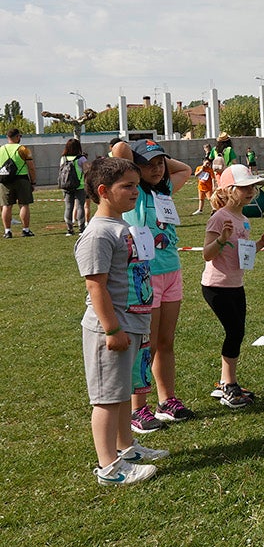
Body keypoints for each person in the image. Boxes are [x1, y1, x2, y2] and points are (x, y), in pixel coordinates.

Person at [76, 157, 165, 485]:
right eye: (127, 186)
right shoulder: (99, 234)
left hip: (132, 324)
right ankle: (109, 468)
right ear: (103, 191)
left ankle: (126, 448)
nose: (135, 191)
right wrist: (112, 329)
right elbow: (96, 286)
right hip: (111, 329)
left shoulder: (122, 227)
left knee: (123, 392)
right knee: (107, 399)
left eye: (136, 185)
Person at [111, 139, 195, 432]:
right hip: (145, 276)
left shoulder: (165, 189)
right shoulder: (133, 192)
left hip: (171, 271)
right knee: (146, 344)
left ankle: (166, 400)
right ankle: (138, 409)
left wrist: (157, 158)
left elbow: (185, 169)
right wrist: (139, 162)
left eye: (160, 163)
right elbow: (119, 151)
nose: (157, 169)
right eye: (149, 164)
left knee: (165, 342)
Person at [201, 164, 264, 408]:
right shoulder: (219, 218)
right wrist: (221, 239)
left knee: (237, 332)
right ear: (229, 190)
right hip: (216, 286)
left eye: (252, 187)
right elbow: (207, 254)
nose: (251, 191)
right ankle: (229, 386)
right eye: (244, 187)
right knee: (234, 332)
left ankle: (226, 382)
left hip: (236, 285)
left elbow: (242, 253)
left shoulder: (244, 219)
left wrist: (259, 245)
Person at [0, 128, 37, 238]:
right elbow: (31, 167)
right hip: (21, 179)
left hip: (5, 180)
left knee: (6, 206)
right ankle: (25, 230)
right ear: (17, 137)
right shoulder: (23, 149)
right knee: (24, 204)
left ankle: (7, 231)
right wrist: (33, 182)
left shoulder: (1, 149)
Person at [59, 138, 89, 236]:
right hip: (79, 185)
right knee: (80, 206)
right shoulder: (81, 158)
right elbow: (87, 171)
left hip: (66, 186)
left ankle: (69, 229)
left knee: (68, 207)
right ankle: (81, 229)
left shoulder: (63, 158)